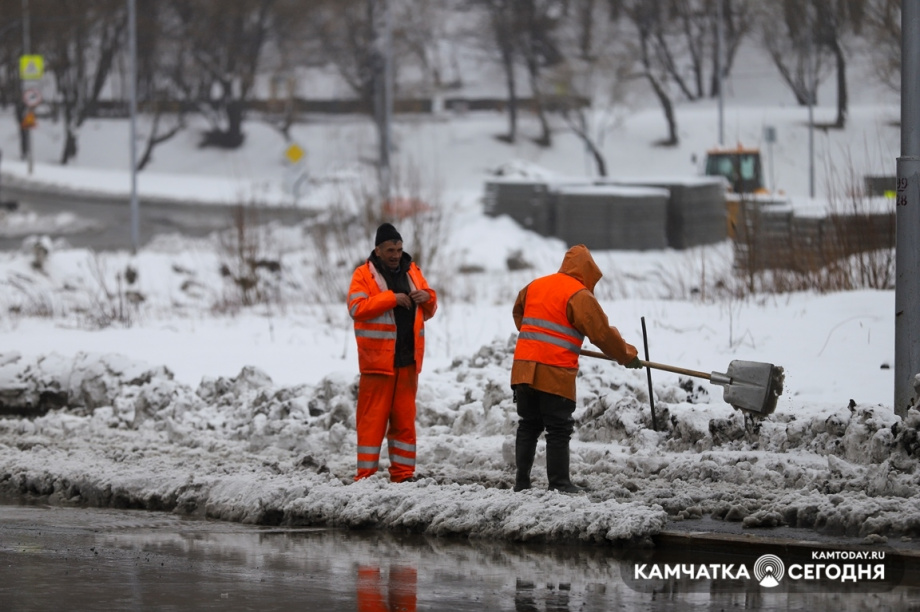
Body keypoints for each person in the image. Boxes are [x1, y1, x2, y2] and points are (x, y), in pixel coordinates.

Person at [511, 244, 641, 493]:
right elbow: (602, 334)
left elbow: (519, 313)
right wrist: (626, 355)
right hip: (554, 370)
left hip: (523, 367)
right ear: (588, 271)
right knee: (558, 428)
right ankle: (559, 483)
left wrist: (538, 340)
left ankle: (522, 482)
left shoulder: (535, 285)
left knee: (528, 424)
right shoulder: (579, 295)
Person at [347, 222, 438, 483]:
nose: (396, 255)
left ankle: (403, 474)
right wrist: (392, 298)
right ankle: (365, 476)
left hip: (408, 360)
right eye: (390, 250)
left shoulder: (412, 270)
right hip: (377, 363)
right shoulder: (363, 275)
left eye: (399, 249)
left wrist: (428, 297)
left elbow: (430, 307)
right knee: (372, 421)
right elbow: (356, 308)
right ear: (378, 250)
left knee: (404, 422)